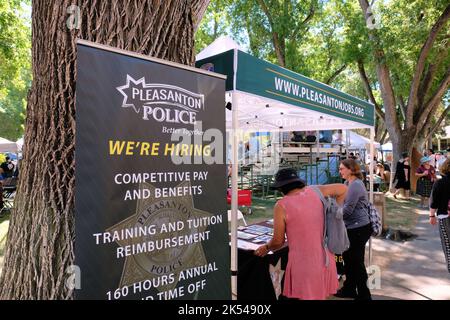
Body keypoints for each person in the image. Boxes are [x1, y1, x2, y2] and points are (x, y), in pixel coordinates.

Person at [254, 168, 347, 300]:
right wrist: (336, 211)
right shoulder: (316, 191)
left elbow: (278, 241)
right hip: (325, 258)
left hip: (304, 263)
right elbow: (343, 188)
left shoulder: (281, 205)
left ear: (281, 187)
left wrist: (266, 247)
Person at [335, 158, 372, 300]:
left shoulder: (355, 185)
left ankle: (364, 295)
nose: (340, 171)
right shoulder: (347, 183)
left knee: (356, 263)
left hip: (359, 228)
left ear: (351, 169)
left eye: (342, 168)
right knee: (348, 260)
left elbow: (348, 210)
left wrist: (333, 215)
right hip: (350, 227)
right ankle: (349, 289)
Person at [429, 158, 450, 273]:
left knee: (448, 245)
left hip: (444, 217)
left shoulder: (440, 183)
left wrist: (431, 216)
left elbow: (434, 202)